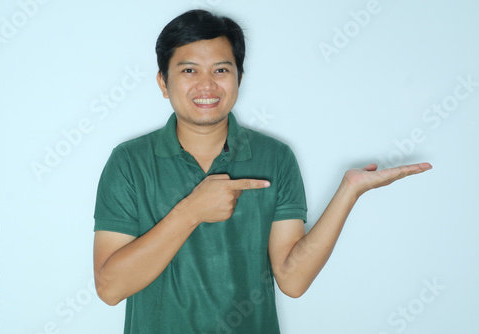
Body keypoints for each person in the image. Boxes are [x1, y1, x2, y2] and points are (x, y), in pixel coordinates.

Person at [93, 9, 432, 334]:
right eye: (189, 71)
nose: (207, 85)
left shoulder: (276, 158)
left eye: (221, 70)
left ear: (239, 77)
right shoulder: (128, 162)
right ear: (163, 83)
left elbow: (293, 279)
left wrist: (349, 192)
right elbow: (110, 288)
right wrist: (191, 211)